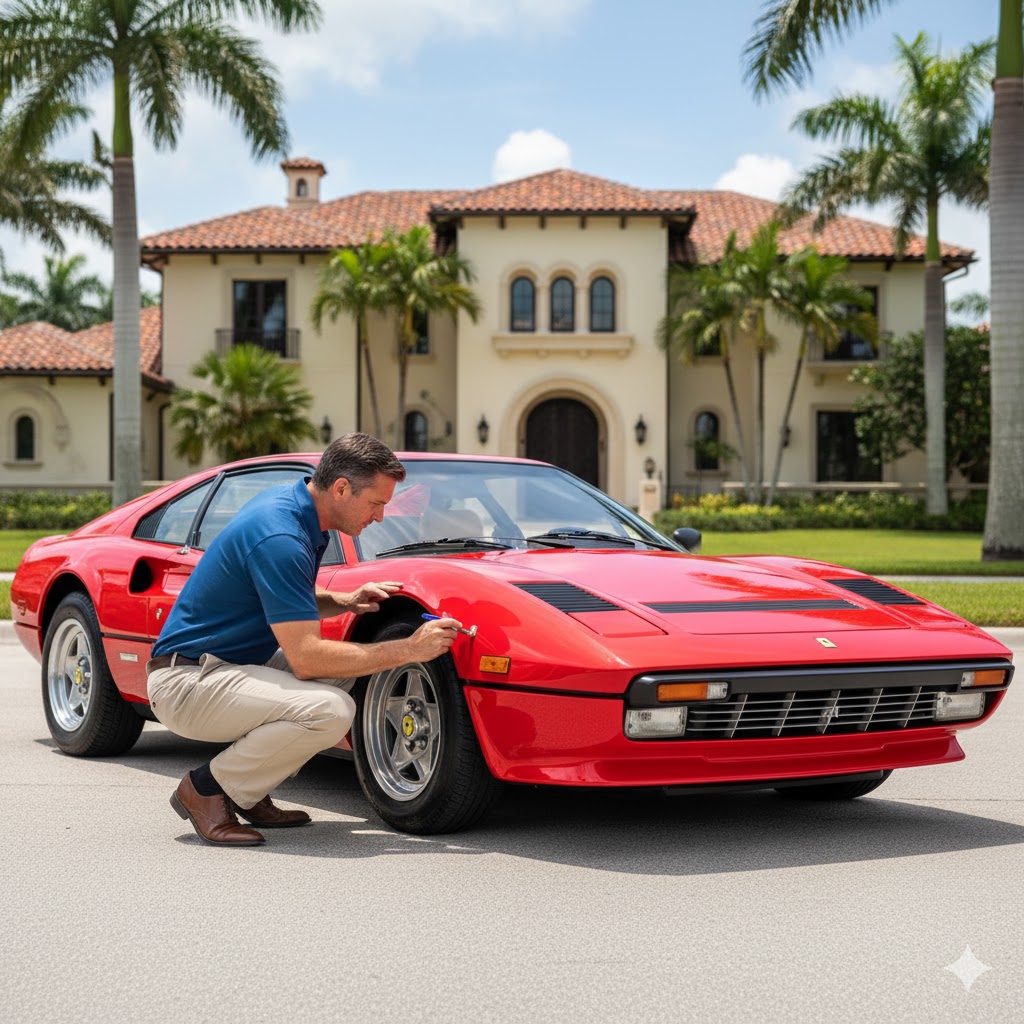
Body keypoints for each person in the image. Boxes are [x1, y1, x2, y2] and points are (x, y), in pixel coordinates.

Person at [146, 432, 462, 848]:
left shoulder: (296, 510)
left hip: (223, 665)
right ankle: (205, 789)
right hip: (186, 682)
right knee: (331, 709)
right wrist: (411, 649)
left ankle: (247, 790)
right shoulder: (281, 536)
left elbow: (281, 592)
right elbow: (307, 659)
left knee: (342, 678)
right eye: (376, 503)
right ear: (341, 488)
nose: (381, 516)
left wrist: (344, 600)